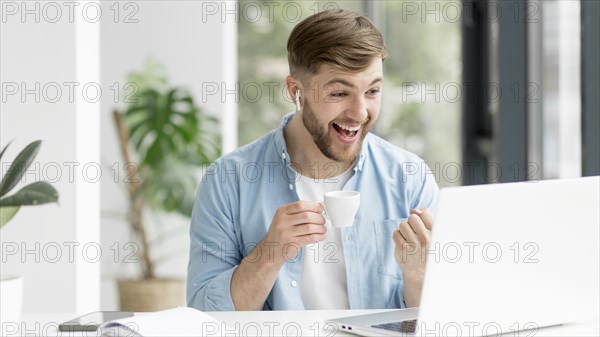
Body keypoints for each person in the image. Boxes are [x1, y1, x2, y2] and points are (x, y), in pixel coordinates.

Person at [187, 9, 438, 311]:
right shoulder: (228, 182)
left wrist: (420, 275)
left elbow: (447, 319)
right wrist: (269, 254)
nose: (360, 112)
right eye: (339, 93)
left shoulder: (410, 178)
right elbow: (201, 320)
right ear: (296, 91)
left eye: (372, 90)